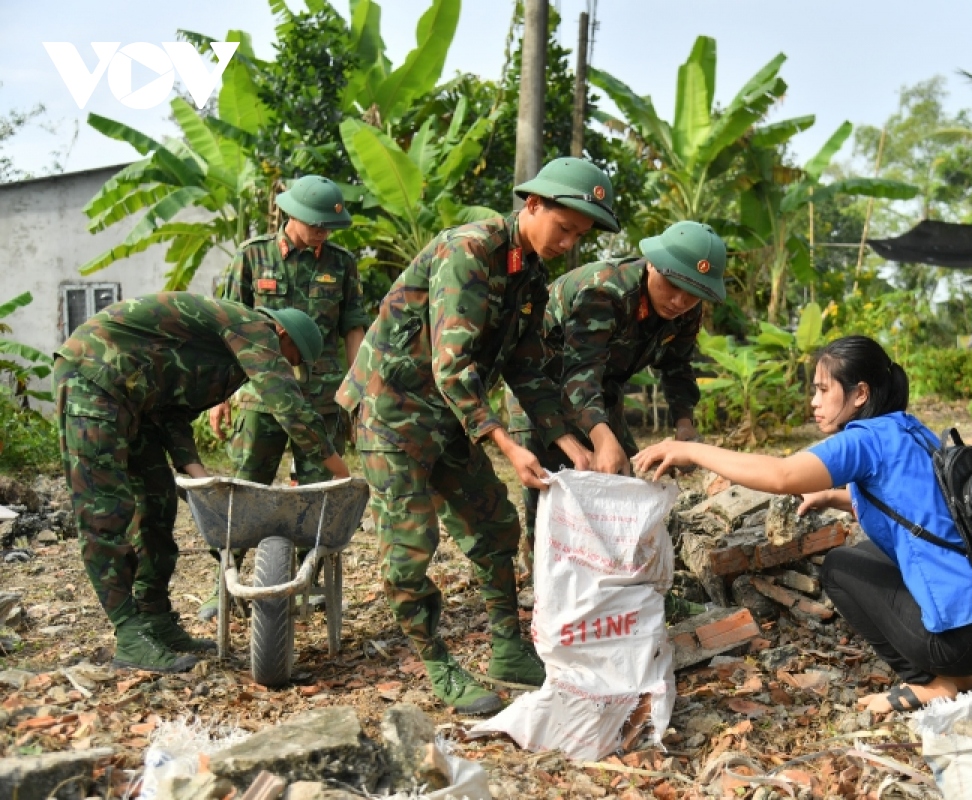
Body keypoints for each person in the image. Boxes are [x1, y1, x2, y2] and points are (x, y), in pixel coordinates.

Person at [337, 157, 619, 715]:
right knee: (409, 544)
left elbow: (528, 368)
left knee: (494, 521)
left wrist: (569, 443)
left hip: (447, 414)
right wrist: (508, 445)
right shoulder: (470, 251)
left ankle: (507, 649)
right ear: (532, 204)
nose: (569, 242)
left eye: (580, 236)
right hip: (391, 411)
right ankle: (437, 659)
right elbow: (453, 365)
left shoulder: (531, 275)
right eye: (564, 227)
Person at [632, 335, 972, 713]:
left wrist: (689, 449)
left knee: (840, 568)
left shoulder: (862, 441)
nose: (814, 402)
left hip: (966, 641)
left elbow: (781, 475)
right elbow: (917, 509)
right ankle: (962, 675)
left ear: (860, 394)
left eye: (823, 390)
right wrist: (834, 497)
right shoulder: (906, 426)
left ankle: (929, 682)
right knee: (870, 552)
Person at [54, 293, 349, 674]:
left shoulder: (228, 361)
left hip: (137, 398)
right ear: (281, 333)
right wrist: (340, 473)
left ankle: (155, 617)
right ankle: (129, 633)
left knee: (158, 501)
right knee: (105, 509)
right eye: (289, 358)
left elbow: (171, 411)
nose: (285, 366)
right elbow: (289, 408)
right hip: (94, 375)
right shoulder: (253, 328)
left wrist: (198, 474)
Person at [507, 220, 725, 594]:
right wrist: (600, 436)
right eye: (674, 286)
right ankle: (544, 584)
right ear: (653, 264)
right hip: (540, 386)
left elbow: (677, 367)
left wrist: (685, 425)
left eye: (693, 294)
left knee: (623, 481)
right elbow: (578, 372)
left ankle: (613, 577)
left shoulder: (686, 309)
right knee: (549, 489)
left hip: (600, 388)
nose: (680, 301)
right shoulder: (606, 290)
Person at [198, 175, 370, 622]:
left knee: (317, 495)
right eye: (314, 224)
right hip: (259, 396)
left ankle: (307, 585)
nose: (321, 233)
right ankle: (226, 585)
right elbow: (226, 326)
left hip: (322, 396)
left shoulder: (342, 263)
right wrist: (221, 394)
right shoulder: (252, 256)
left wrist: (356, 390)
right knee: (243, 488)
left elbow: (353, 326)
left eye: (328, 227)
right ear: (290, 214)